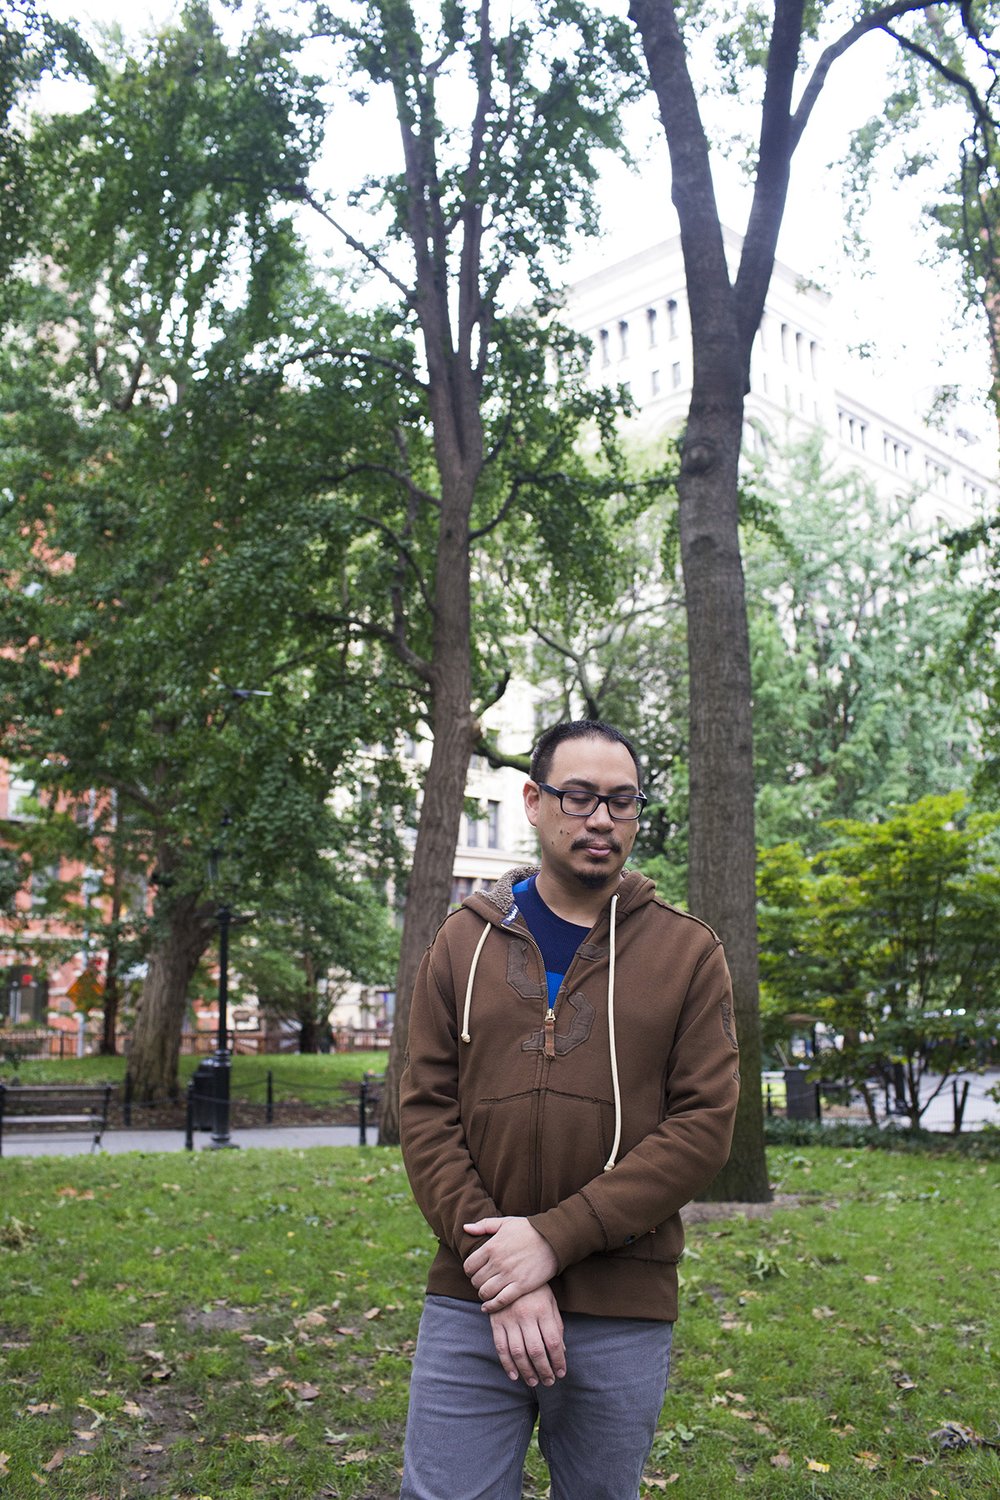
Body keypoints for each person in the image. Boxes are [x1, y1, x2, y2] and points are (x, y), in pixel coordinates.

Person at [398, 719, 740, 1500]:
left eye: (621, 802)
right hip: (473, 1296)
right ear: (533, 800)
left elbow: (702, 1127)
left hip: (622, 1304)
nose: (600, 820)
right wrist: (506, 1274)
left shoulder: (688, 954)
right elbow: (424, 1113)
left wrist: (551, 1243)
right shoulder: (460, 943)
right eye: (579, 796)